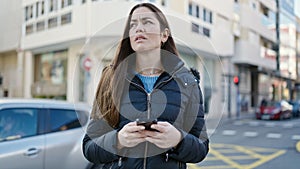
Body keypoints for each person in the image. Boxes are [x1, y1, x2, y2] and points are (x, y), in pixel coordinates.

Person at [82, 3, 209, 169]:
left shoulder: (188, 82)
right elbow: (89, 147)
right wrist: (118, 140)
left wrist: (178, 140)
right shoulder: (111, 79)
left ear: (164, 35)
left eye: (147, 22)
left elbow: (201, 148)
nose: (138, 28)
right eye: (133, 24)